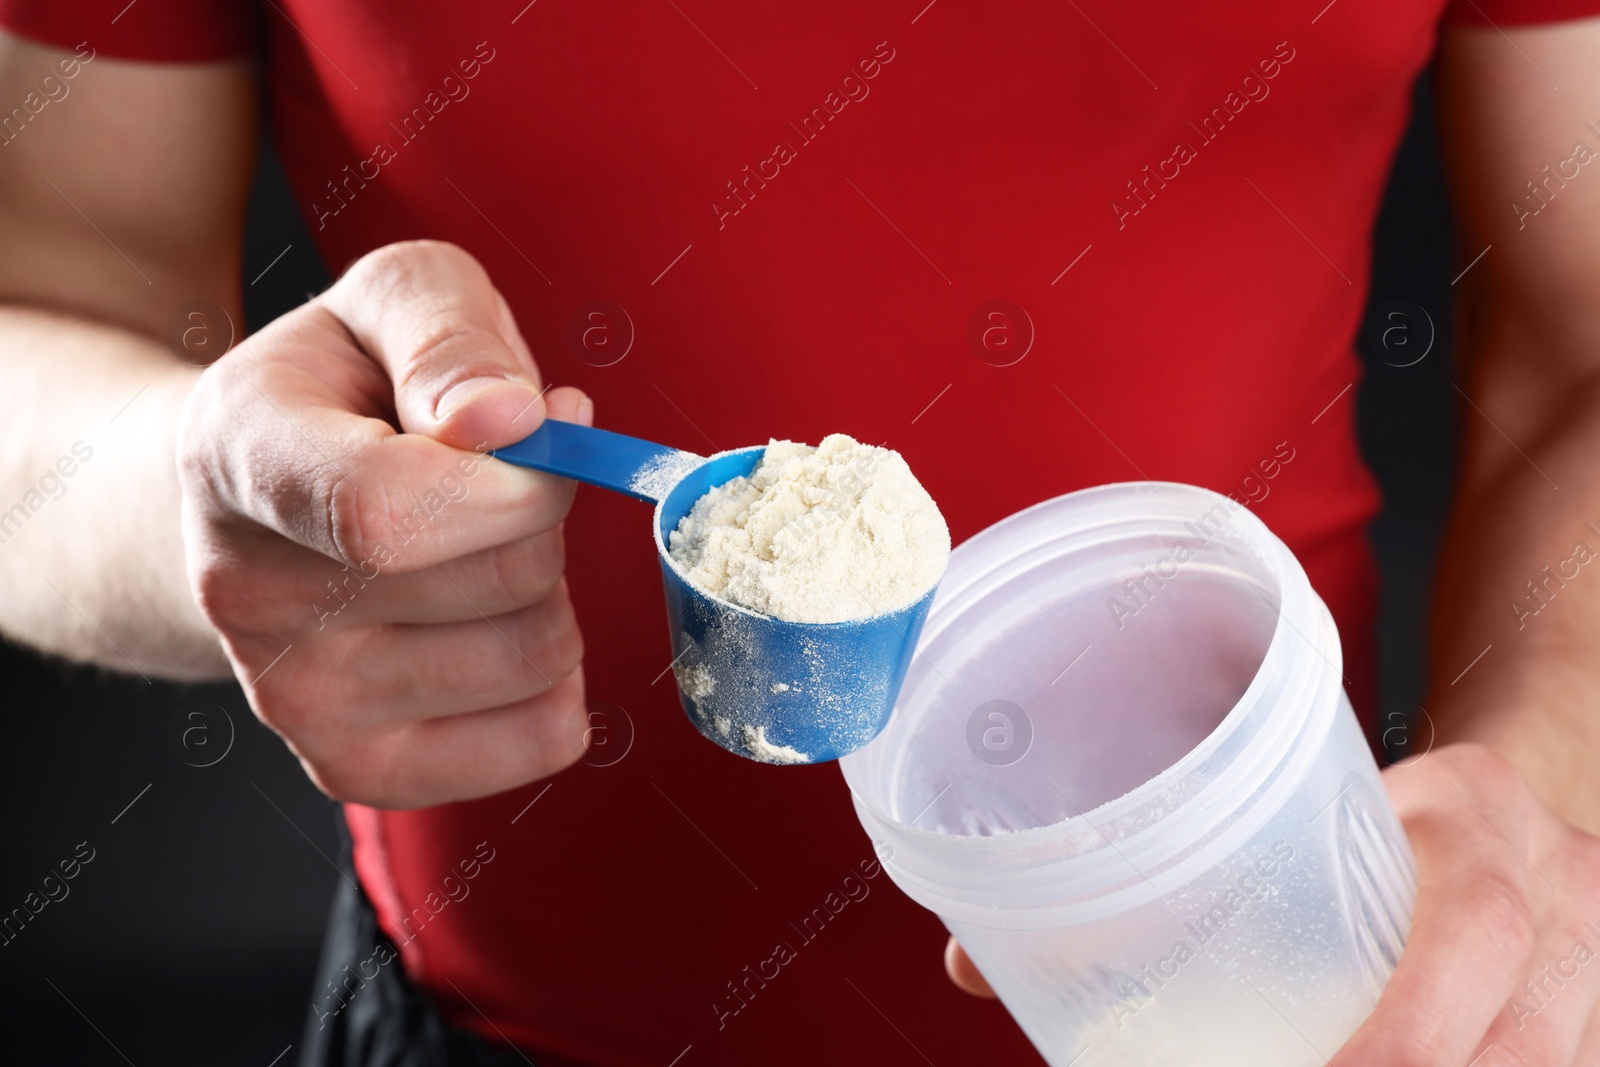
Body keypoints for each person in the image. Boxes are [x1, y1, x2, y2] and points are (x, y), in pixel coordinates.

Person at [2, 0, 1599, 1063]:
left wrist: (1527, 799)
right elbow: (46, 305)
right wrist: (190, 500)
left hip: (1300, 991)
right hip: (493, 1020)